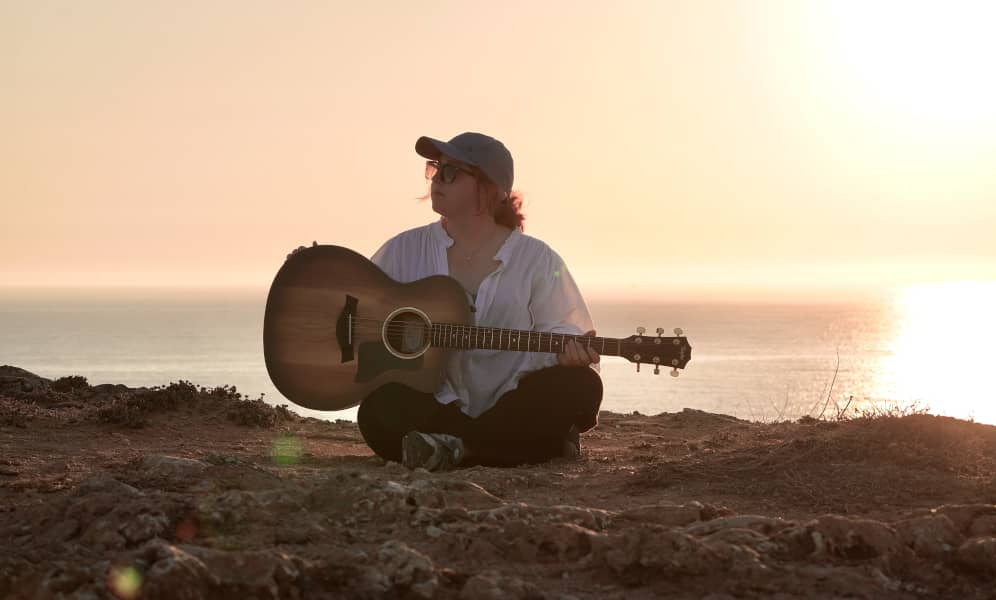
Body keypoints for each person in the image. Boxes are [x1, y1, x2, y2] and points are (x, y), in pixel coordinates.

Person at [357, 132, 603, 471]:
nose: (436, 179)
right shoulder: (404, 250)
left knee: (581, 386)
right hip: (434, 401)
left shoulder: (537, 259)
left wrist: (568, 356)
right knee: (378, 408)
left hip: (512, 400)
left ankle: (455, 448)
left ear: (488, 189)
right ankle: (509, 445)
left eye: (450, 172)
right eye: (435, 168)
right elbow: (356, 304)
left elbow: (561, 325)